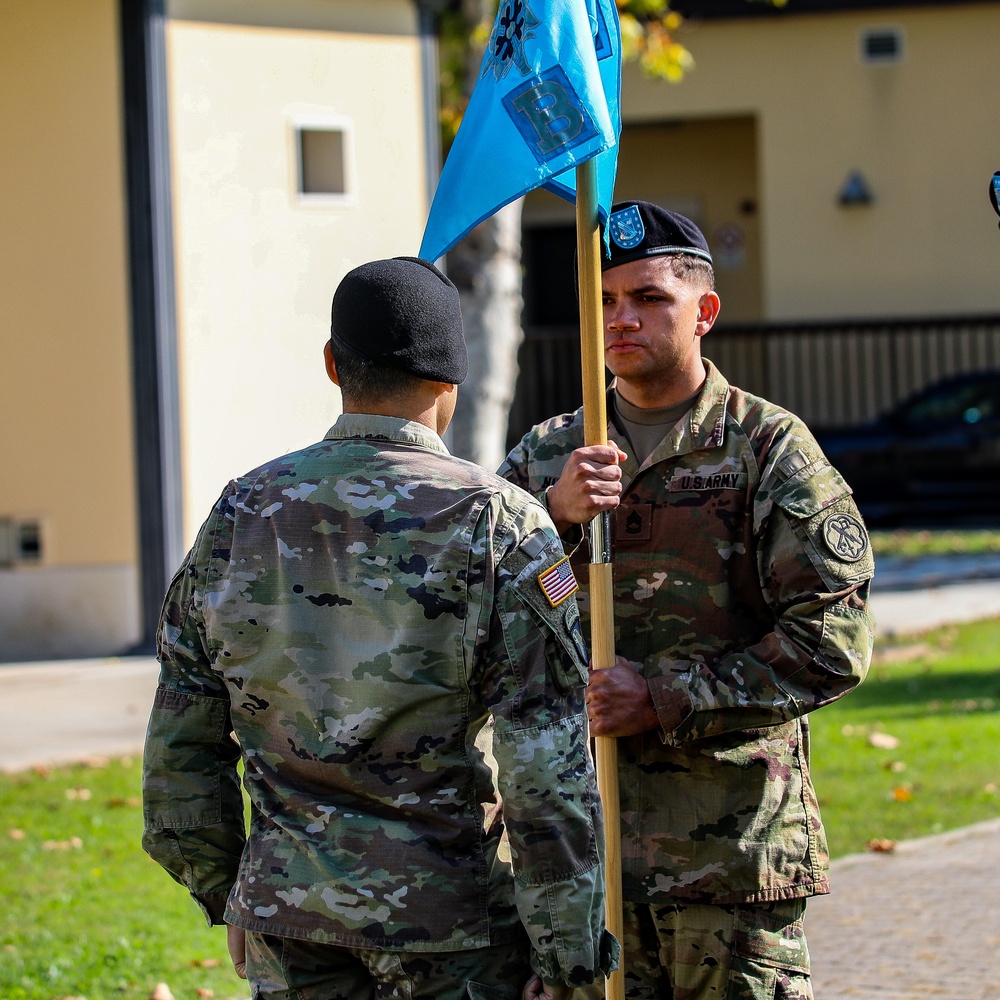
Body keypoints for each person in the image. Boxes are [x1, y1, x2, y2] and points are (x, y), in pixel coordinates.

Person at [142, 256, 617, 1000]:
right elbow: (545, 767)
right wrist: (566, 953)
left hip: (289, 920)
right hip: (453, 928)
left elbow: (179, 748)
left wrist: (233, 888)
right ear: (451, 383)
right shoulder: (501, 524)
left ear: (333, 364)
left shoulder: (239, 513)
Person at [498, 203, 876, 1000]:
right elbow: (489, 629)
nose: (620, 319)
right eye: (603, 301)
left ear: (703, 312)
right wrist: (556, 531)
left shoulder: (766, 449)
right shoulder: (546, 457)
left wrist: (664, 698)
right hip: (580, 868)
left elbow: (832, 640)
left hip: (723, 863)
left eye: (647, 298)